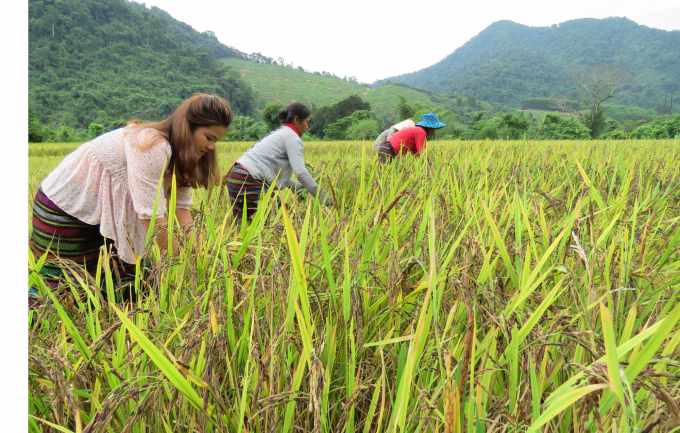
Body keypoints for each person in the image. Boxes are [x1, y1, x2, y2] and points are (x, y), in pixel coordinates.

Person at [29, 94, 233, 305]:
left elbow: (182, 209)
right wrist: (180, 269)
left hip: (102, 215)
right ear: (187, 127)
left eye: (215, 142)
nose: (211, 147)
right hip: (66, 207)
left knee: (130, 286)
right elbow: (152, 218)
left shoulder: (183, 156)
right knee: (62, 295)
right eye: (208, 138)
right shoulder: (153, 145)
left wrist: (198, 258)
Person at [224, 102, 332, 220]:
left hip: (236, 177)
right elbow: (300, 172)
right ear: (296, 120)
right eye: (307, 122)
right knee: (286, 221)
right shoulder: (292, 138)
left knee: (246, 226)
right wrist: (324, 199)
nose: (307, 127)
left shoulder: (280, 132)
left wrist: (299, 187)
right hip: (249, 181)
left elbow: (269, 171)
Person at [377, 113, 446, 163]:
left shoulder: (418, 131)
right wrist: (429, 165)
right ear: (430, 128)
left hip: (387, 149)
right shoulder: (420, 131)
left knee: (390, 172)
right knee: (384, 173)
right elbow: (422, 153)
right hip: (388, 149)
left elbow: (416, 153)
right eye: (434, 129)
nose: (434, 132)